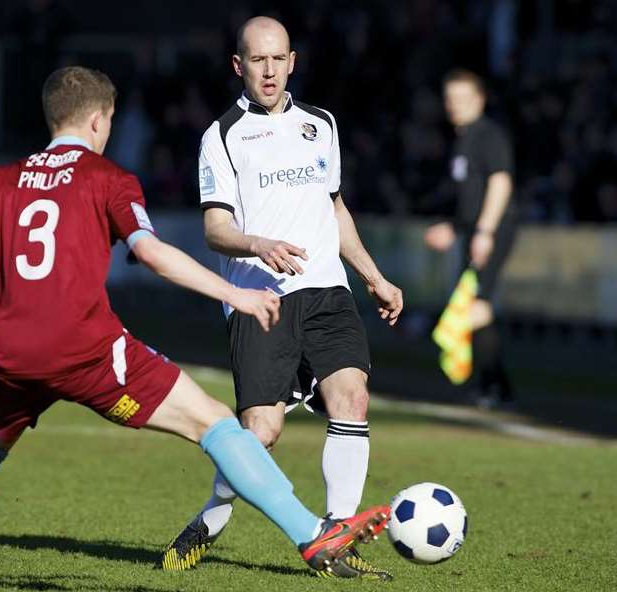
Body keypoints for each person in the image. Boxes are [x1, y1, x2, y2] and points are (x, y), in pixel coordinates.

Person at [0, 66, 392, 591]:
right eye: (110, 121)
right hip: (86, 350)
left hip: (12, 351)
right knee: (216, 423)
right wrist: (234, 292)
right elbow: (157, 255)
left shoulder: (3, 179)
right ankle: (313, 533)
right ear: (98, 119)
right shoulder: (107, 179)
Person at [161, 17, 402, 581]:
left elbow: (334, 208)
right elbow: (215, 230)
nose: (268, 71)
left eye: (278, 59)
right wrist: (258, 243)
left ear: (292, 61)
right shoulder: (221, 136)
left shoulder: (321, 124)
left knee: (352, 398)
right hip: (259, 299)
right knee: (261, 433)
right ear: (238, 66)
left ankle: (337, 535)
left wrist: (373, 274)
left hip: (326, 291)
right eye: (257, 60)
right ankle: (214, 514)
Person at [424, 69, 518, 408]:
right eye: (450, 99)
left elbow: (501, 182)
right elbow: (469, 199)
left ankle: (493, 385)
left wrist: (485, 232)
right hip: (476, 232)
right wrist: (454, 228)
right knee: (476, 305)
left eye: (462, 99)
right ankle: (496, 385)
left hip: (493, 231)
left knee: (477, 307)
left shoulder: (488, 135)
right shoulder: (463, 139)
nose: (454, 106)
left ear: (479, 100)